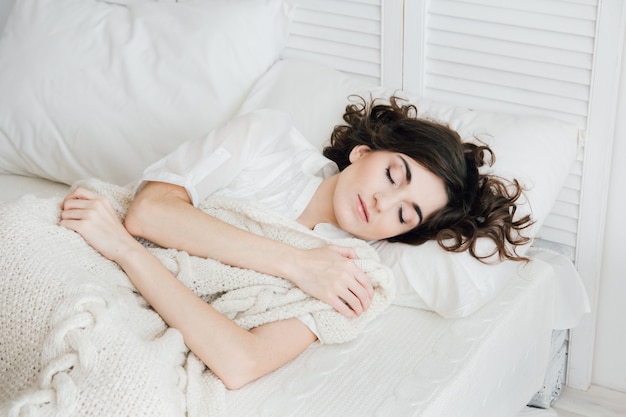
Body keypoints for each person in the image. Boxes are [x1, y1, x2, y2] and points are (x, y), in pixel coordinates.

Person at [59, 96, 531, 390]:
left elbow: (241, 363)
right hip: (82, 249)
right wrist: (297, 262)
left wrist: (126, 250)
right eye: (393, 174)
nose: (384, 203)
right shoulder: (266, 139)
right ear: (363, 151)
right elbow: (150, 212)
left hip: (123, 273)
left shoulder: (353, 275)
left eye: (405, 214)